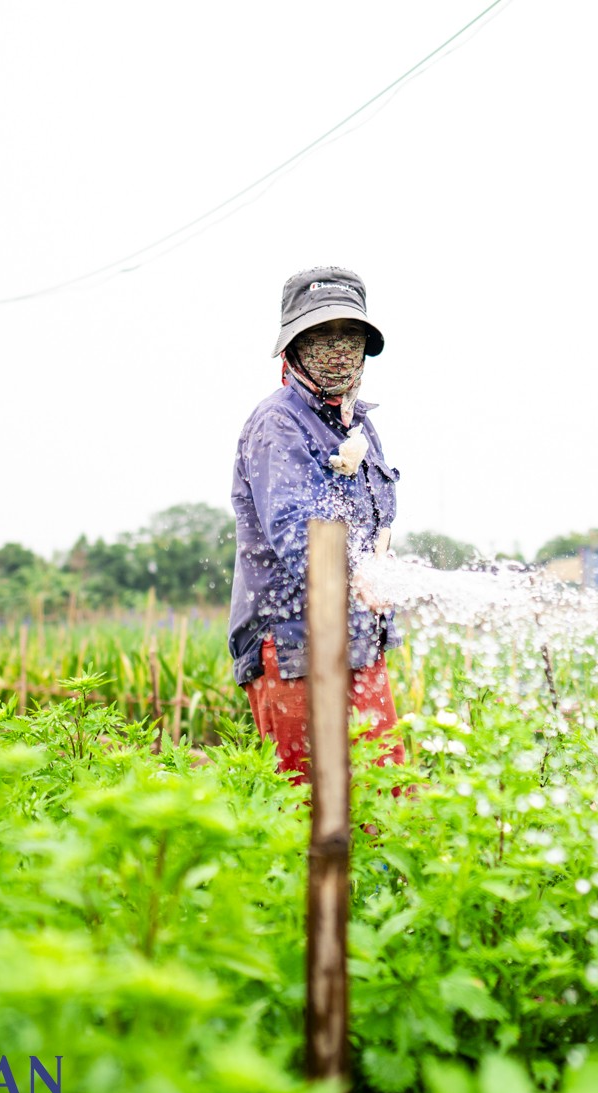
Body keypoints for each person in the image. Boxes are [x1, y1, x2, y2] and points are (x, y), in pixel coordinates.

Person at [228, 267, 404, 784]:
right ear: (294, 347)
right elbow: (296, 535)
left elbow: (376, 530)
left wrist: (379, 570)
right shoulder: (277, 423)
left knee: (384, 801)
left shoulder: (360, 426)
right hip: (293, 645)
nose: (339, 351)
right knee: (311, 812)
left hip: (357, 640)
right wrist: (360, 573)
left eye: (351, 337)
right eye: (323, 337)